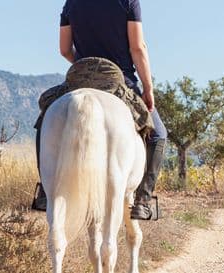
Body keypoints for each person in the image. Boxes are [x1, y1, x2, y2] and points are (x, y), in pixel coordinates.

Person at [31, 0, 167, 221]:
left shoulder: (72, 2)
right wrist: (148, 88)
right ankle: (142, 201)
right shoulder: (128, 1)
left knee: (45, 118)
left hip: (79, 77)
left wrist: (88, 64)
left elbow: (64, 50)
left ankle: (46, 192)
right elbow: (137, 47)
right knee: (158, 135)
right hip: (118, 79)